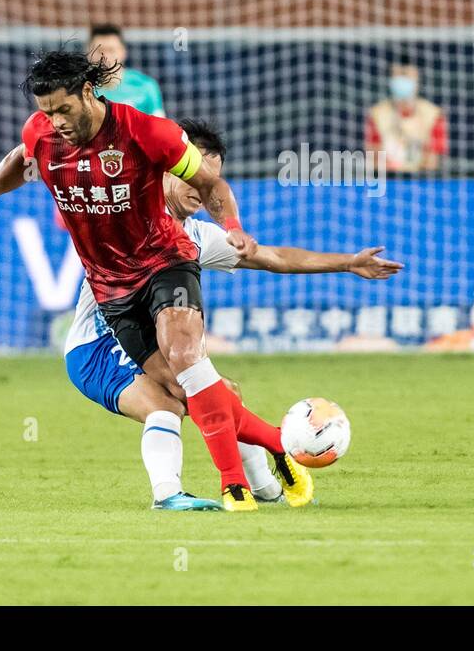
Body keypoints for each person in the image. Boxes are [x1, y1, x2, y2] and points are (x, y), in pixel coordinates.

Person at [0, 51, 302, 511]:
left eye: (63, 109)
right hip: (114, 291)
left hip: (167, 262)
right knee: (190, 392)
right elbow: (18, 159)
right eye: (47, 112)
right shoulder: (42, 133)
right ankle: (279, 445)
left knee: (189, 361)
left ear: (88, 93)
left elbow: (211, 184)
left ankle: (236, 488)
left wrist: (233, 229)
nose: (56, 122)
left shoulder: (146, 132)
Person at [61, 118, 402, 510]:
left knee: (221, 394)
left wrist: (347, 263)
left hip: (146, 343)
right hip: (98, 346)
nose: (201, 191)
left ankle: (266, 489)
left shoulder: (198, 235)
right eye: (194, 178)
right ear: (168, 169)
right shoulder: (130, 221)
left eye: (210, 183)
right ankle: (221, 473)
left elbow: (275, 258)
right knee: (176, 401)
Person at [364, 60, 448, 172]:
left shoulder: (433, 114)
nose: (402, 80)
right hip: (389, 179)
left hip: (421, 180)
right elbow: (373, 159)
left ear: (418, 79)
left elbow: (433, 161)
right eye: (398, 75)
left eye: (407, 75)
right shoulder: (377, 114)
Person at [89, 24, 165, 116]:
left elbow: (159, 124)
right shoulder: (80, 88)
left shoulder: (144, 85)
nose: (105, 57)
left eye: (111, 50)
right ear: (88, 52)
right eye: (99, 51)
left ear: (123, 52)